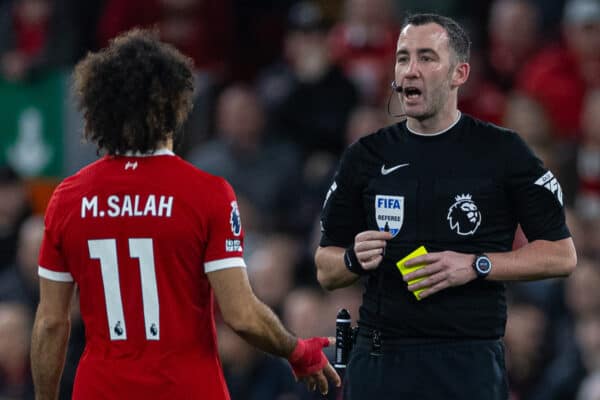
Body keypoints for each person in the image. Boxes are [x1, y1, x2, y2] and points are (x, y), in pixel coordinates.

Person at [30, 29, 340, 400]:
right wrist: (297, 350)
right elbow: (241, 315)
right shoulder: (206, 193)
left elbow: (50, 323)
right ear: (173, 106)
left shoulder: (67, 199)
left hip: (102, 388)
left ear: (100, 109)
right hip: (187, 388)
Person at [315, 13, 577, 400]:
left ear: (459, 73)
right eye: (403, 58)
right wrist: (353, 259)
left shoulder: (502, 152)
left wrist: (476, 265)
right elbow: (325, 267)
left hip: (466, 361)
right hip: (381, 357)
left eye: (426, 58)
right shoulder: (366, 155)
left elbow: (561, 255)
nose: (410, 71)